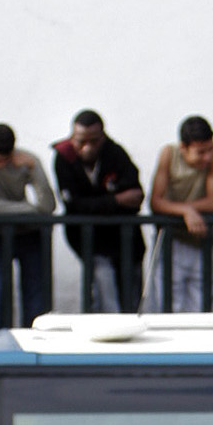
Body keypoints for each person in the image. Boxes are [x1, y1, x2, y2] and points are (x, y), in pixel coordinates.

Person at [51, 110, 145, 312]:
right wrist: (116, 200)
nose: (87, 148)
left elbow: (136, 195)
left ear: (102, 137)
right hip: (89, 238)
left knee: (131, 293)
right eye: (80, 141)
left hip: (124, 239)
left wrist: (97, 203)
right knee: (104, 287)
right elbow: (74, 204)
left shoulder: (115, 153)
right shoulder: (64, 157)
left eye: (93, 141)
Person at [0, 122, 56, 329]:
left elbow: (47, 205)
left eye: (5, 161)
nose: (1, 165)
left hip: (30, 234)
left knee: (35, 294)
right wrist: (29, 209)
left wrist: (34, 169)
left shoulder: (28, 160)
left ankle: (36, 342)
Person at [146, 115, 213, 313]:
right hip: (172, 242)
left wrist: (183, 209)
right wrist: (186, 211)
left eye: (209, 150)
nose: (207, 157)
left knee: (207, 309)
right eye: (200, 152)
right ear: (183, 147)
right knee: (169, 309)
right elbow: (155, 201)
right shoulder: (169, 154)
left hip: (205, 242)